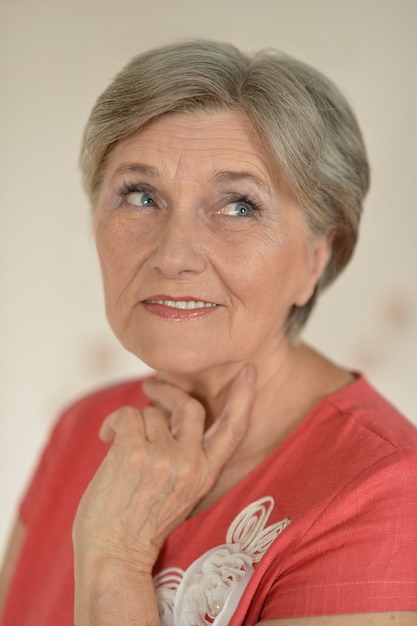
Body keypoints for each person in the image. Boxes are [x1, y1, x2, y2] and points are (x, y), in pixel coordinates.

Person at [0, 39, 416, 626]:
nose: (173, 255)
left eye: (240, 206)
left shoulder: (382, 492)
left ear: (319, 255)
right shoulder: (82, 432)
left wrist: (114, 562)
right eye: (140, 196)